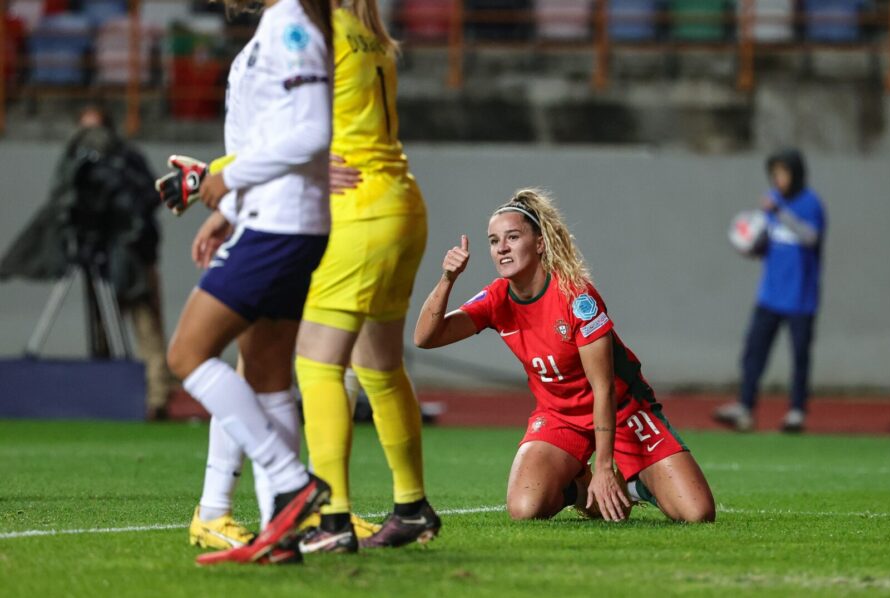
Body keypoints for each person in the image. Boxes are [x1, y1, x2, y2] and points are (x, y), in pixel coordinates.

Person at [413, 189, 716, 523]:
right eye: (494, 240)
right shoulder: (496, 298)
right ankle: (579, 487)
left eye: (513, 237)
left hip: (623, 411)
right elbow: (425, 337)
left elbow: (603, 389)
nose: (501, 248)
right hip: (560, 417)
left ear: (540, 243)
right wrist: (448, 278)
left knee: (697, 513)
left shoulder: (576, 297)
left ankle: (634, 483)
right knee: (524, 509)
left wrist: (603, 466)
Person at [161, 0, 335, 566]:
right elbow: (281, 139)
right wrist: (222, 193)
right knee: (265, 374)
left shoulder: (288, 26)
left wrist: (228, 176)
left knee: (187, 353)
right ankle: (280, 533)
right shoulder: (281, 26)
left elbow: (313, 132)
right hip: (278, 220)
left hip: (278, 227)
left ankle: (289, 480)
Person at [293, 0, 436, 553]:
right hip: (401, 201)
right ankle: (411, 506)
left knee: (316, 361)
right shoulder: (371, 32)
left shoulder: (315, 29)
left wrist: (218, 173)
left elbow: (293, 129)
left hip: (356, 207)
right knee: (380, 366)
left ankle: (332, 521)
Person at [0, 104, 175, 421]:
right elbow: (62, 201)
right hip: (100, 256)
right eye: (83, 130)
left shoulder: (128, 158)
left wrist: (125, 211)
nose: (89, 138)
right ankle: (110, 397)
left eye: (95, 130)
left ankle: (157, 397)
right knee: (104, 329)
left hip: (134, 258)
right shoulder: (74, 163)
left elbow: (149, 198)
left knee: (147, 328)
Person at [714, 148, 826, 433]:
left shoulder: (810, 204)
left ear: (796, 174)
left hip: (801, 298)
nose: (777, 179)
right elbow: (770, 244)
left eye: (783, 173)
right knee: (753, 352)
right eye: (774, 173)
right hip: (770, 295)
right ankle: (745, 407)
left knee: (799, 357)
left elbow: (810, 237)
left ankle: (796, 412)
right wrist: (752, 246)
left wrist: (779, 212)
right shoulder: (773, 203)